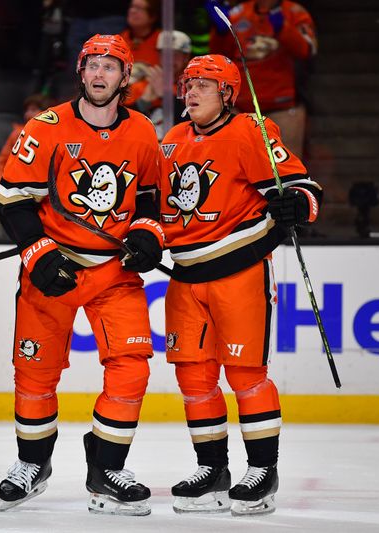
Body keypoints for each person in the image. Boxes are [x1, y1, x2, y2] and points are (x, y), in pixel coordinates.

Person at [0, 34, 163, 516]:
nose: (99, 74)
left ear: (126, 77)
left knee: (132, 368)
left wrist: (147, 233)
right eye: (92, 65)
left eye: (110, 66)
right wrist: (39, 252)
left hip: (114, 271)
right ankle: (32, 463)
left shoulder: (143, 130)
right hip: (55, 267)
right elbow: (12, 199)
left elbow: (149, 197)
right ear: (80, 71)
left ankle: (106, 467)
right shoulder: (45, 126)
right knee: (35, 372)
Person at [158, 55, 322, 516]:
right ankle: (212, 470)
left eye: (203, 85)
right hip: (185, 278)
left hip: (240, 273)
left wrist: (297, 204)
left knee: (246, 374)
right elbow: (156, 205)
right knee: (193, 376)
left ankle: (262, 470)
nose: (191, 92)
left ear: (228, 93)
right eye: (188, 83)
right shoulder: (171, 140)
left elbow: (303, 188)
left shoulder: (251, 129)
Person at [210, 0, 317, 157]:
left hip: (283, 109)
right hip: (240, 107)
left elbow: (308, 51)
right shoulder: (238, 13)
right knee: (235, 162)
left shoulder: (295, 11)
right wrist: (220, 33)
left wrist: (283, 28)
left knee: (286, 167)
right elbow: (219, 57)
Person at [127, 29, 192, 139]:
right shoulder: (143, 84)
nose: (170, 60)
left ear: (186, 57)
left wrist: (166, 96)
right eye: (165, 54)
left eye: (175, 55)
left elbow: (193, 125)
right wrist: (144, 102)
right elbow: (125, 126)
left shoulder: (193, 86)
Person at [0, 93, 55, 190]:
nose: (27, 114)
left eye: (33, 110)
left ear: (47, 113)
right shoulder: (17, 134)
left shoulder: (57, 136)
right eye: (27, 110)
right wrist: (0, 187)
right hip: (18, 190)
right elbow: (1, 164)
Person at [120, 0, 161, 67]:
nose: (132, 11)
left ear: (153, 16)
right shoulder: (120, 39)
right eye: (132, 6)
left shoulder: (162, 40)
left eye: (139, 8)